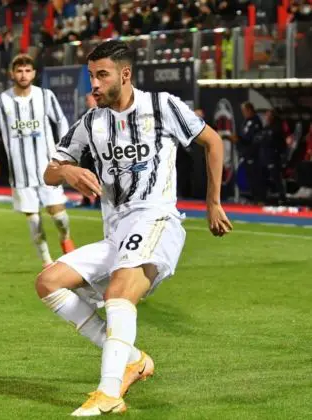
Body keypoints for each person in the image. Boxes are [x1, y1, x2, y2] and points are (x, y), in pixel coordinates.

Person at [35, 40, 232, 415]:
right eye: (91, 76)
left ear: (125, 75)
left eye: (102, 75)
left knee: (119, 290)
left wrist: (213, 202)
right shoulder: (91, 122)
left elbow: (212, 141)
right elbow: (50, 171)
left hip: (157, 219)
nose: (93, 84)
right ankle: (134, 359)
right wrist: (68, 170)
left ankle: (109, 392)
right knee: (48, 282)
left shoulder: (162, 105)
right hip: (117, 232)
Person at [0, 53, 75, 268]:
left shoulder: (45, 96)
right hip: (20, 172)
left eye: (27, 70)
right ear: (12, 73)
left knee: (60, 217)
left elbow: (61, 121)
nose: (23, 75)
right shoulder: (0, 101)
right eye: (19, 70)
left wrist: (63, 151)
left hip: (48, 168)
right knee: (34, 220)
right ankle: (47, 262)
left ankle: (65, 239)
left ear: (34, 73)